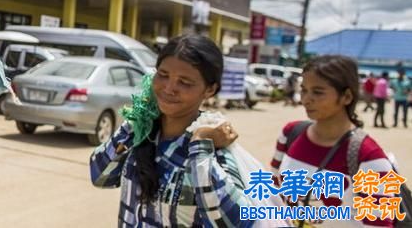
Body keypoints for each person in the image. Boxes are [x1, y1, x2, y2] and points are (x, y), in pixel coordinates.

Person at [90, 34, 253, 227]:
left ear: (209, 89)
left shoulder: (213, 150)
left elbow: (238, 222)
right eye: (163, 75)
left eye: (184, 82)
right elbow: (100, 176)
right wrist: (138, 119)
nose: (169, 88)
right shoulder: (142, 131)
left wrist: (200, 145)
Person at [271, 55, 394, 226]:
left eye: (318, 92)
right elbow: (274, 192)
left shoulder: (369, 157)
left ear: (347, 97)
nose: (306, 99)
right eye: (304, 90)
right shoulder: (290, 134)